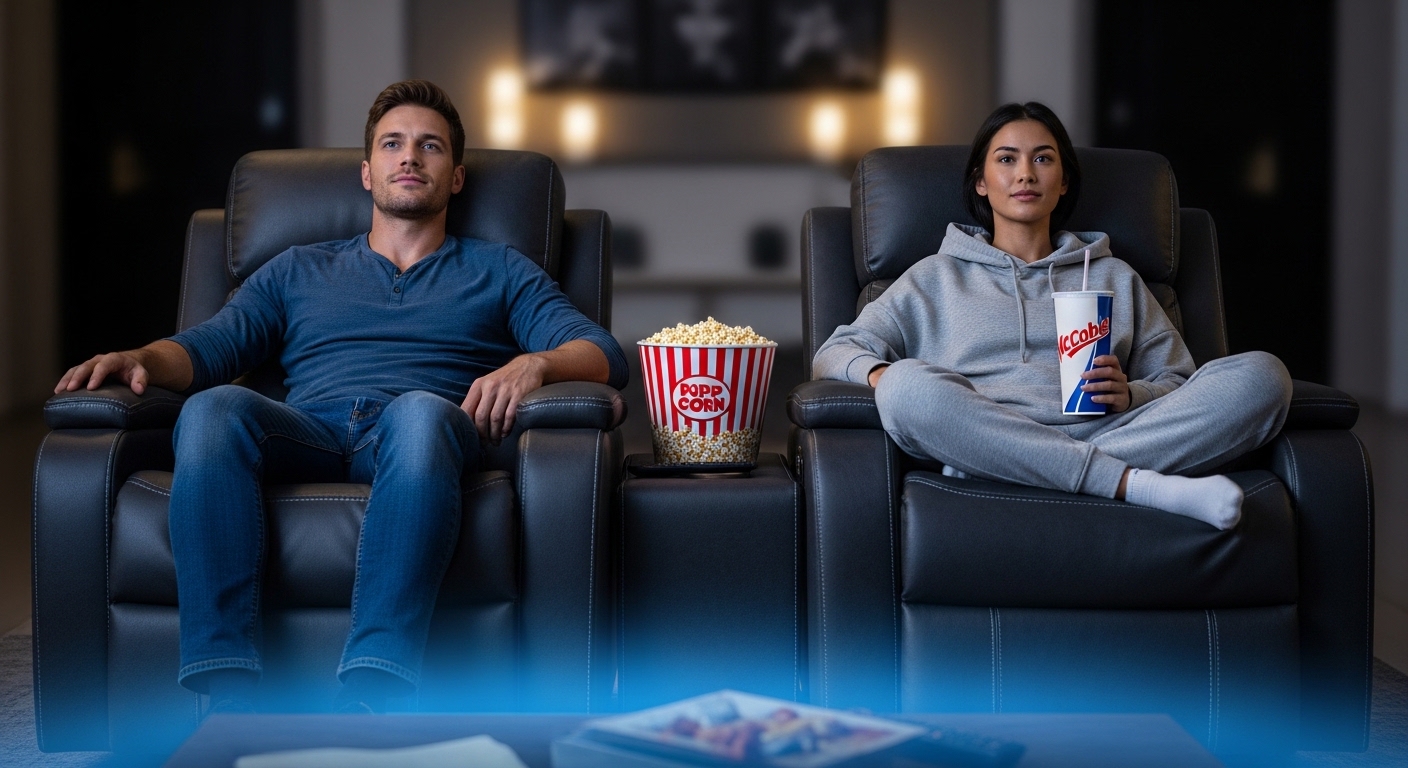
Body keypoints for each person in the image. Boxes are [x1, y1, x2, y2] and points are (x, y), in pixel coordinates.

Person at [53, 80, 629, 715]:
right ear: (367, 172)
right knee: (214, 408)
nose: (409, 157)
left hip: (421, 432)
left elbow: (603, 351)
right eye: (393, 144)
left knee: (417, 412)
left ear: (456, 177)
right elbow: (206, 349)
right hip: (308, 428)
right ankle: (227, 691)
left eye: (429, 146)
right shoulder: (297, 267)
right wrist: (138, 358)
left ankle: (375, 688)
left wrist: (536, 363)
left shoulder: (501, 269)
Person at [812, 101, 1291, 531]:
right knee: (904, 386)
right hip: (981, 426)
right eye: (1006, 159)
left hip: (1105, 430)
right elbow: (833, 354)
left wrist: (1131, 393)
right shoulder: (933, 278)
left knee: (1263, 376)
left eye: (1043, 158)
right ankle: (1139, 484)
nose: (1026, 173)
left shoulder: (1115, 275)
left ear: (1063, 182)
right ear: (981, 180)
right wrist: (880, 374)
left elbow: (1177, 379)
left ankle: (1006, 468)